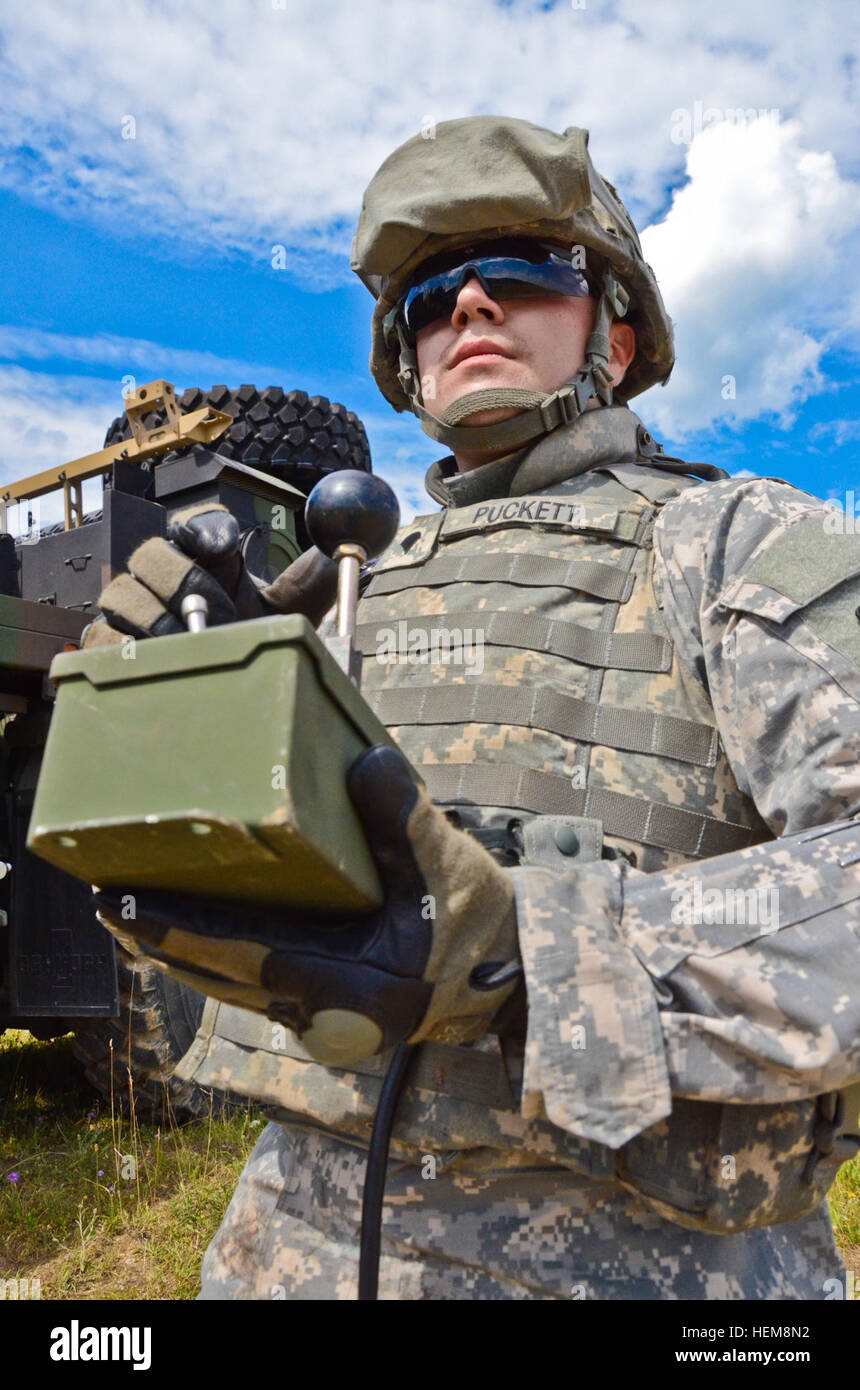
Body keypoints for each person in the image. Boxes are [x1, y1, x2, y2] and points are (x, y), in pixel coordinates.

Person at [91, 116, 860, 1300]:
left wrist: (528, 953)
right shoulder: (342, 598)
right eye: (430, 296)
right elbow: (212, 935)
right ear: (406, 360)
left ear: (612, 324)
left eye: (517, 272)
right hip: (285, 1247)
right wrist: (156, 738)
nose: (469, 308)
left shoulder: (735, 546)